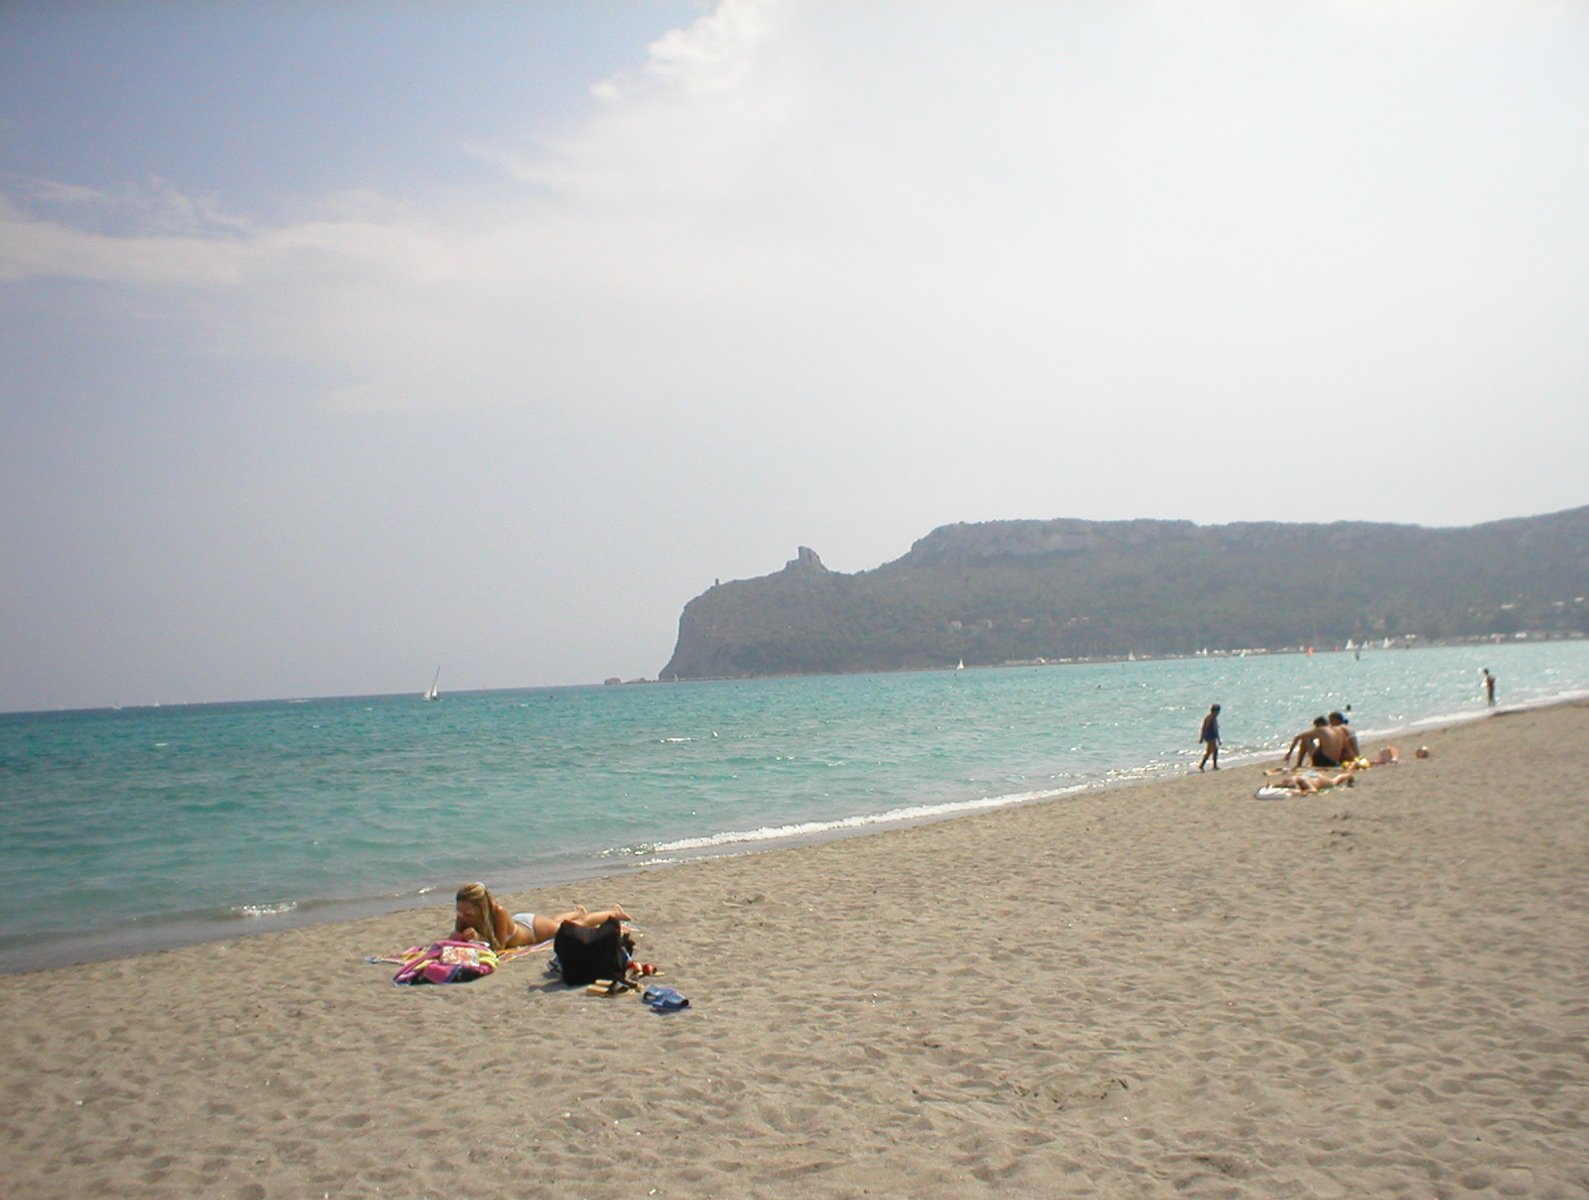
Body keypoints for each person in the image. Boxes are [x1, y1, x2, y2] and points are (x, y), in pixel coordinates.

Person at [451, 882, 631, 951]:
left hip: (532, 930)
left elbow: (499, 946)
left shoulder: (498, 912)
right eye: (460, 911)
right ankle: (577, 911)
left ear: (481, 907)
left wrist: (477, 938)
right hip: (522, 923)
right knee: (557, 921)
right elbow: (455, 938)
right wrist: (457, 937)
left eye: (467, 912)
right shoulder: (464, 915)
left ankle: (613, 912)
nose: (463, 915)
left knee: (572, 927)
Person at [1198, 703, 1222, 771]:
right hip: (1210, 736)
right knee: (1210, 751)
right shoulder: (1209, 718)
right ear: (1215, 711)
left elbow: (1216, 729)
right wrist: (1202, 737)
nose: (1218, 713)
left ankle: (1211, 765)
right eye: (1218, 711)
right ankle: (1203, 765)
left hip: (1213, 736)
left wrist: (1218, 739)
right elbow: (1204, 728)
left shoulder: (1214, 718)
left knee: (1213, 751)